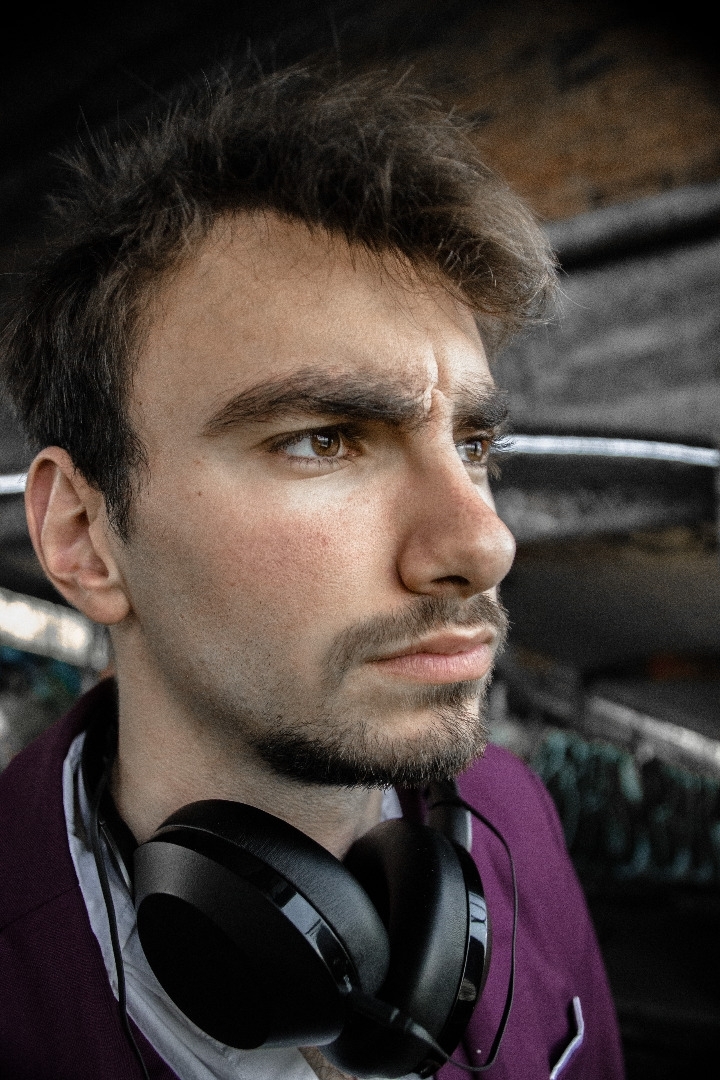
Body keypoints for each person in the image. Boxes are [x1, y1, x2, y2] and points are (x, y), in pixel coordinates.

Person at [0, 66, 624, 1080]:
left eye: (473, 446)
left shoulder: (512, 813)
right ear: (81, 536)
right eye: (321, 440)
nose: (483, 544)